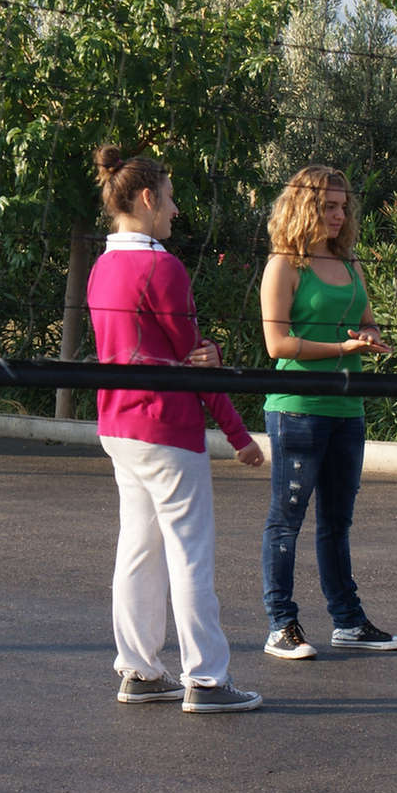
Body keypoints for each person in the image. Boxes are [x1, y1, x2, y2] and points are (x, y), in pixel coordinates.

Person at [86, 145, 266, 714]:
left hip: (119, 426)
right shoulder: (162, 267)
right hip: (166, 428)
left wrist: (199, 354)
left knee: (138, 549)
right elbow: (195, 364)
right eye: (169, 197)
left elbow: (170, 352)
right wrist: (239, 435)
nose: (176, 209)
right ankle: (207, 680)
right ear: (147, 197)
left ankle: (139, 670)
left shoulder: (101, 267)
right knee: (190, 554)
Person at [256, 165, 397, 660]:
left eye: (343, 206)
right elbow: (277, 343)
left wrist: (368, 336)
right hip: (298, 409)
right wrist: (342, 348)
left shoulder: (350, 262)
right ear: (303, 208)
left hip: (347, 407)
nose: (339, 215)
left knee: (337, 522)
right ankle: (281, 625)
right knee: (287, 520)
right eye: (328, 207)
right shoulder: (283, 265)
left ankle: (348, 622)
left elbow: (366, 321)